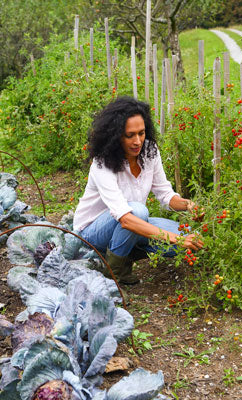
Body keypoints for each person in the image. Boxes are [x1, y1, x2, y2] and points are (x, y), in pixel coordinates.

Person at [74, 96, 204, 284]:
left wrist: (189, 205)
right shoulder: (103, 162)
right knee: (139, 212)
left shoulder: (149, 151)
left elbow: (165, 194)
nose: (137, 141)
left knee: (195, 241)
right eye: (130, 135)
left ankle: (128, 250)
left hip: (134, 221)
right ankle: (115, 272)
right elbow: (125, 218)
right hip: (92, 232)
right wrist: (176, 238)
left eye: (141, 133)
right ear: (115, 135)